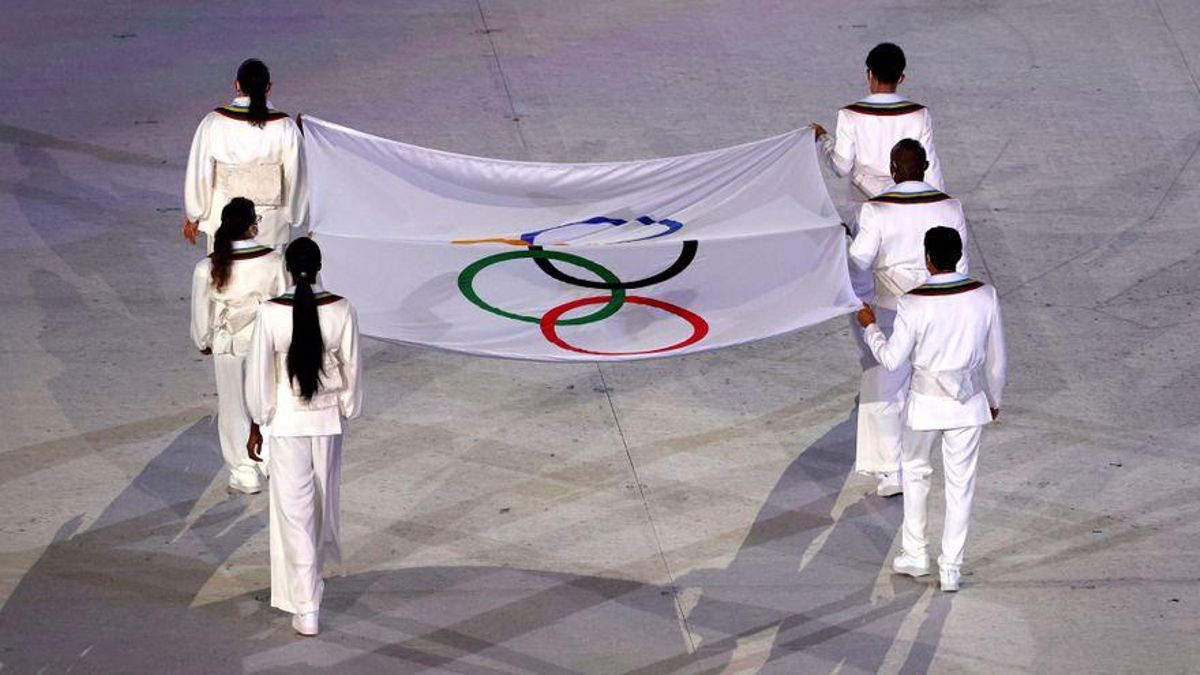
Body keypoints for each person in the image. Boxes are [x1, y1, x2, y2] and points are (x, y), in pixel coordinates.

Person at [856, 227, 1005, 592]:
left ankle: (916, 554)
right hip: (969, 404)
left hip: (924, 406)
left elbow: (892, 360)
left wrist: (871, 327)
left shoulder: (913, 301)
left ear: (927, 258)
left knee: (916, 476)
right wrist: (994, 399)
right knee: (960, 486)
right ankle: (951, 567)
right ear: (958, 254)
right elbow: (997, 357)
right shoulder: (985, 295)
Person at [245, 237, 362, 636]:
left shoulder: (270, 313)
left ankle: (306, 603)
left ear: (289, 270)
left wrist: (257, 420)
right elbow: (352, 368)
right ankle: (310, 595)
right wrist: (346, 408)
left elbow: (259, 370)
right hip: (326, 420)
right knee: (322, 504)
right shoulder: (341, 308)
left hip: (286, 420)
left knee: (294, 513)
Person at [848, 139, 969, 497]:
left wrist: (860, 299)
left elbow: (859, 263)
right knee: (925, 388)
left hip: (891, 308)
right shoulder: (951, 207)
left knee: (884, 387)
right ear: (927, 166)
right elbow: (960, 265)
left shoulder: (876, 210)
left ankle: (890, 472)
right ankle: (917, 463)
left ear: (893, 169)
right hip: (937, 308)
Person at [190, 197, 286, 494]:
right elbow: (284, 303)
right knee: (269, 398)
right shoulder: (273, 261)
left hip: (228, 343)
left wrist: (203, 340)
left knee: (233, 405)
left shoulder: (208, 266)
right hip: (266, 341)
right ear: (252, 225)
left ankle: (244, 471)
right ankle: (269, 459)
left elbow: (200, 312)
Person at [183, 58, 306, 252]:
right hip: (269, 223)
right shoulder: (285, 126)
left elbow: (200, 172)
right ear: (269, 88)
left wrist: (194, 214)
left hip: (222, 219)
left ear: (236, 85)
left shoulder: (214, 121)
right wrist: (295, 215)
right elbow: (296, 175)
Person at [810, 42, 944, 209]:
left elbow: (841, 167)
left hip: (863, 201)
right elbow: (930, 166)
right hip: (905, 200)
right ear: (901, 78)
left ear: (870, 74)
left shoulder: (850, 114)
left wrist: (823, 139)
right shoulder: (919, 114)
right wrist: (939, 205)